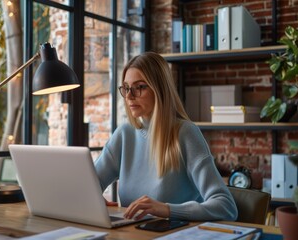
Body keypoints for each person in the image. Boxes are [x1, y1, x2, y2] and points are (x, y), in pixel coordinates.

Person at [94, 52, 238, 221]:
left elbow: (226, 207)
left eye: (139, 87)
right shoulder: (124, 134)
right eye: (126, 88)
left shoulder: (185, 133)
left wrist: (167, 209)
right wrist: (92, 199)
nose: (129, 96)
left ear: (160, 89)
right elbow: (88, 185)